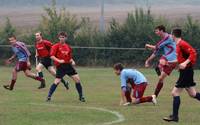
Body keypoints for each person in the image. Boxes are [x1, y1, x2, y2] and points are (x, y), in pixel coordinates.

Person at [163, 28, 200, 122]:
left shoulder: (182, 43)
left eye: (171, 35)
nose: (170, 36)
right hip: (186, 71)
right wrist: (168, 63)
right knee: (193, 94)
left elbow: (193, 53)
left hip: (186, 71)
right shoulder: (178, 44)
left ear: (173, 35)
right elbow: (180, 60)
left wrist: (185, 63)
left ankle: (175, 117)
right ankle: (175, 116)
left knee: (175, 93)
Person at [46, 32, 85, 102]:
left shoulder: (68, 47)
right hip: (60, 66)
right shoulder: (55, 46)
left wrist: (72, 61)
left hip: (68, 66)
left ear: (66, 38)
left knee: (77, 79)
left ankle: (81, 96)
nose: (62, 38)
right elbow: (51, 56)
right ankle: (49, 96)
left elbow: (69, 57)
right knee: (57, 81)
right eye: (60, 37)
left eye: (63, 37)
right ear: (58, 38)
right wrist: (59, 61)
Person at [145, 25, 177, 97]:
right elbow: (156, 52)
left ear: (162, 31)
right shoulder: (164, 41)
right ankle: (155, 96)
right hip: (166, 57)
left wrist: (148, 45)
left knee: (161, 78)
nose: (155, 32)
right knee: (160, 66)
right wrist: (147, 60)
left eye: (157, 31)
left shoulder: (167, 38)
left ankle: (154, 96)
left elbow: (156, 47)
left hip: (172, 59)